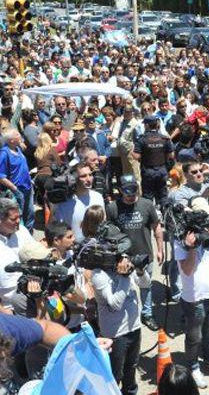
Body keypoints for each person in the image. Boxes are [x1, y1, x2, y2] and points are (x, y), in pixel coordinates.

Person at [173, 197, 209, 389]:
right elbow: (187, 270)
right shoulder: (180, 238)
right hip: (194, 298)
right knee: (194, 336)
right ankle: (193, 366)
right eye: (203, 215)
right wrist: (191, 247)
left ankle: (208, 358)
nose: (206, 218)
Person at [91, 244, 151, 394]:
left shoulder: (125, 268)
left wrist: (140, 270)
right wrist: (124, 277)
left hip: (134, 328)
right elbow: (115, 304)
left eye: (126, 256)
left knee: (131, 368)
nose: (125, 260)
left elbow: (145, 283)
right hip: (115, 335)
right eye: (120, 257)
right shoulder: (99, 275)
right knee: (114, 374)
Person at [105, 175, 163, 332]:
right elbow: (108, 233)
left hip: (145, 255)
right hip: (123, 258)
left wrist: (160, 249)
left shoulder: (147, 204)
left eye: (134, 191)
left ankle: (147, 314)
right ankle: (126, 318)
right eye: (127, 192)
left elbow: (156, 228)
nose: (131, 195)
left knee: (146, 286)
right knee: (123, 288)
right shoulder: (112, 208)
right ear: (120, 190)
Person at [51, 162, 105, 242]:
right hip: (74, 248)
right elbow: (58, 230)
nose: (88, 179)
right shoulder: (64, 203)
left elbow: (103, 221)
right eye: (83, 176)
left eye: (90, 175)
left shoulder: (98, 197)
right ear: (74, 179)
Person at [132, 115, 174, 206]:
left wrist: (132, 149)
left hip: (148, 171)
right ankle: (165, 216)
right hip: (162, 170)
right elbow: (171, 155)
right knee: (163, 196)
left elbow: (136, 156)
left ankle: (150, 218)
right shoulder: (164, 139)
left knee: (148, 197)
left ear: (146, 125)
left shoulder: (142, 139)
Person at [0, 129, 33, 231]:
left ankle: (29, 236)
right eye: (17, 135)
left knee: (30, 214)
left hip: (27, 187)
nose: (20, 136)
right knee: (19, 217)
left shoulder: (17, 149)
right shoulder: (4, 154)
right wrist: (14, 188)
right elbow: (1, 176)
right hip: (17, 190)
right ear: (11, 140)